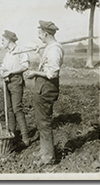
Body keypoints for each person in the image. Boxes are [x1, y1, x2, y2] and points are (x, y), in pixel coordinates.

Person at [27, 20, 64, 166]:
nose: (38, 37)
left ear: (46, 34)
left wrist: (34, 72)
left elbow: (52, 73)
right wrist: (39, 54)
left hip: (47, 87)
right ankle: (44, 151)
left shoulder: (55, 49)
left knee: (45, 123)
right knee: (41, 122)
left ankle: (48, 158)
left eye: (39, 34)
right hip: (42, 86)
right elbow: (46, 65)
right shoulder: (50, 47)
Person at [0, 30, 31, 147]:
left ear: (9, 40)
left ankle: (25, 137)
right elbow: (3, 67)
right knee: (9, 109)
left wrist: (10, 72)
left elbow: (25, 66)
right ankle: (11, 134)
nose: (1, 42)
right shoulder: (7, 54)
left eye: (3, 40)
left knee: (17, 108)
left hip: (16, 81)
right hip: (6, 82)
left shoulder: (20, 51)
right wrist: (3, 72)